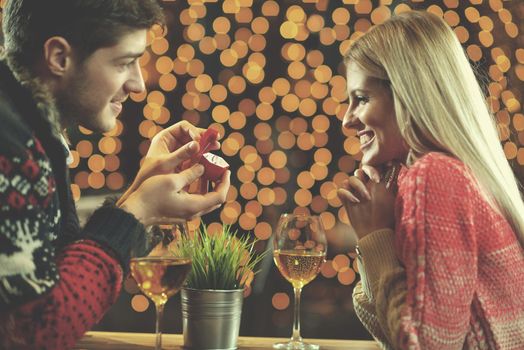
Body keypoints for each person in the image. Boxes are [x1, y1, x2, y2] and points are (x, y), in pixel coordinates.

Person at [0, 1, 230, 349]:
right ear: (59, 57)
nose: (138, 84)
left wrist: (140, 190)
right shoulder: (11, 148)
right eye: (124, 63)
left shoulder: (32, 130)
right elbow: (36, 333)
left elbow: (54, 274)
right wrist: (137, 212)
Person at [337, 10, 524, 350]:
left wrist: (376, 238)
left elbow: (423, 345)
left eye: (361, 99)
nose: (347, 120)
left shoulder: (435, 176)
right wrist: (380, 237)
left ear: (409, 92)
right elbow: (392, 328)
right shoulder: (442, 174)